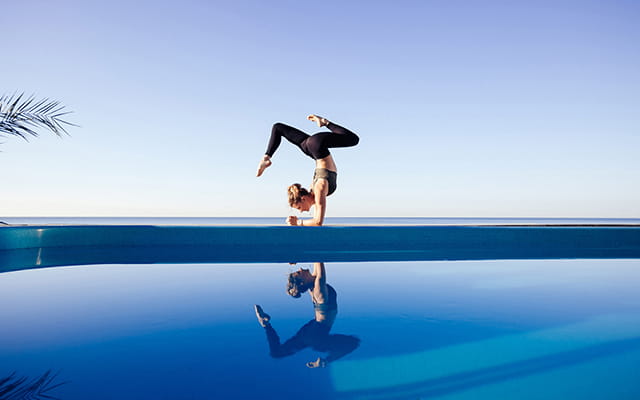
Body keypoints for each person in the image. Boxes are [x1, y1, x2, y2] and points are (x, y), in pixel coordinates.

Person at [256, 115, 359, 226]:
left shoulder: (318, 189)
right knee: (278, 127)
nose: (301, 211)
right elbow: (316, 214)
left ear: (304, 198)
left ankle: (325, 122)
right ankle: (266, 158)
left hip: (317, 146)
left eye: (299, 207)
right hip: (310, 147)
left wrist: (297, 223)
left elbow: (318, 222)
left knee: (354, 139)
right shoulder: (315, 191)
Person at [254, 262, 360, 368]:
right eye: (299, 273)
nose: (300, 268)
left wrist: (298, 257)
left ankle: (265, 323)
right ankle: (325, 361)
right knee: (353, 342)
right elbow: (318, 259)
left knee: (277, 353)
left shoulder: (313, 284)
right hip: (314, 332)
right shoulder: (319, 289)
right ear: (302, 282)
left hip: (314, 331)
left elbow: (315, 265)